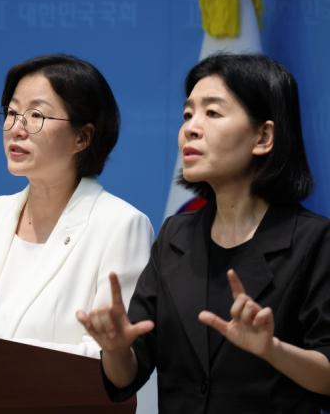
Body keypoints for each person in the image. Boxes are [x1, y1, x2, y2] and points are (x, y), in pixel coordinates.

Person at [77, 54, 330, 412]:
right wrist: (116, 349)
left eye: (212, 113)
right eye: (187, 115)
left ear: (263, 136)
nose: (190, 129)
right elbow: (126, 376)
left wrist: (272, 349)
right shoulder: (175, 236)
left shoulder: (314, 241)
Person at [0, 54, 153, 358]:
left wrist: (2, 360)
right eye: (12, 112)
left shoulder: (120, 226)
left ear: (82, 137)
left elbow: (112, 357)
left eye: (36, 115)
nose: (17, 128)